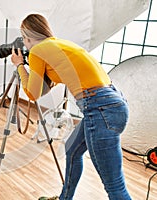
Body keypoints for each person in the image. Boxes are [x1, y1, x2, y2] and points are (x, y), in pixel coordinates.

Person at [11, 14, 131, 200]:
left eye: (24, 40)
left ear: (26, 37)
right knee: (72, 150)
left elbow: (32, 94)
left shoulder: (37, 51)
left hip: (100, 109)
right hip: (112, 103)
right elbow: (43, 89)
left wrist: (19, 65)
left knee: (114, 186)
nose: (24, 46)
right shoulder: (60, 45)